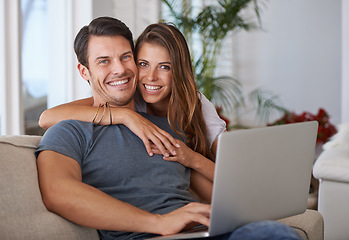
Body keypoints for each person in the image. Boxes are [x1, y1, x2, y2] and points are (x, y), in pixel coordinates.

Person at [36, 16, 302, 240]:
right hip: (150, 234)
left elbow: (232, 199)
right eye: (104, 61)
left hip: (200, 231)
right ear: (84, 72)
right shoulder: (70, 130)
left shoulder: (170, 128)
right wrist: (158, 223)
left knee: (274, 232)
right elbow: (58, 192)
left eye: (126, 57)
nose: (119, 69)